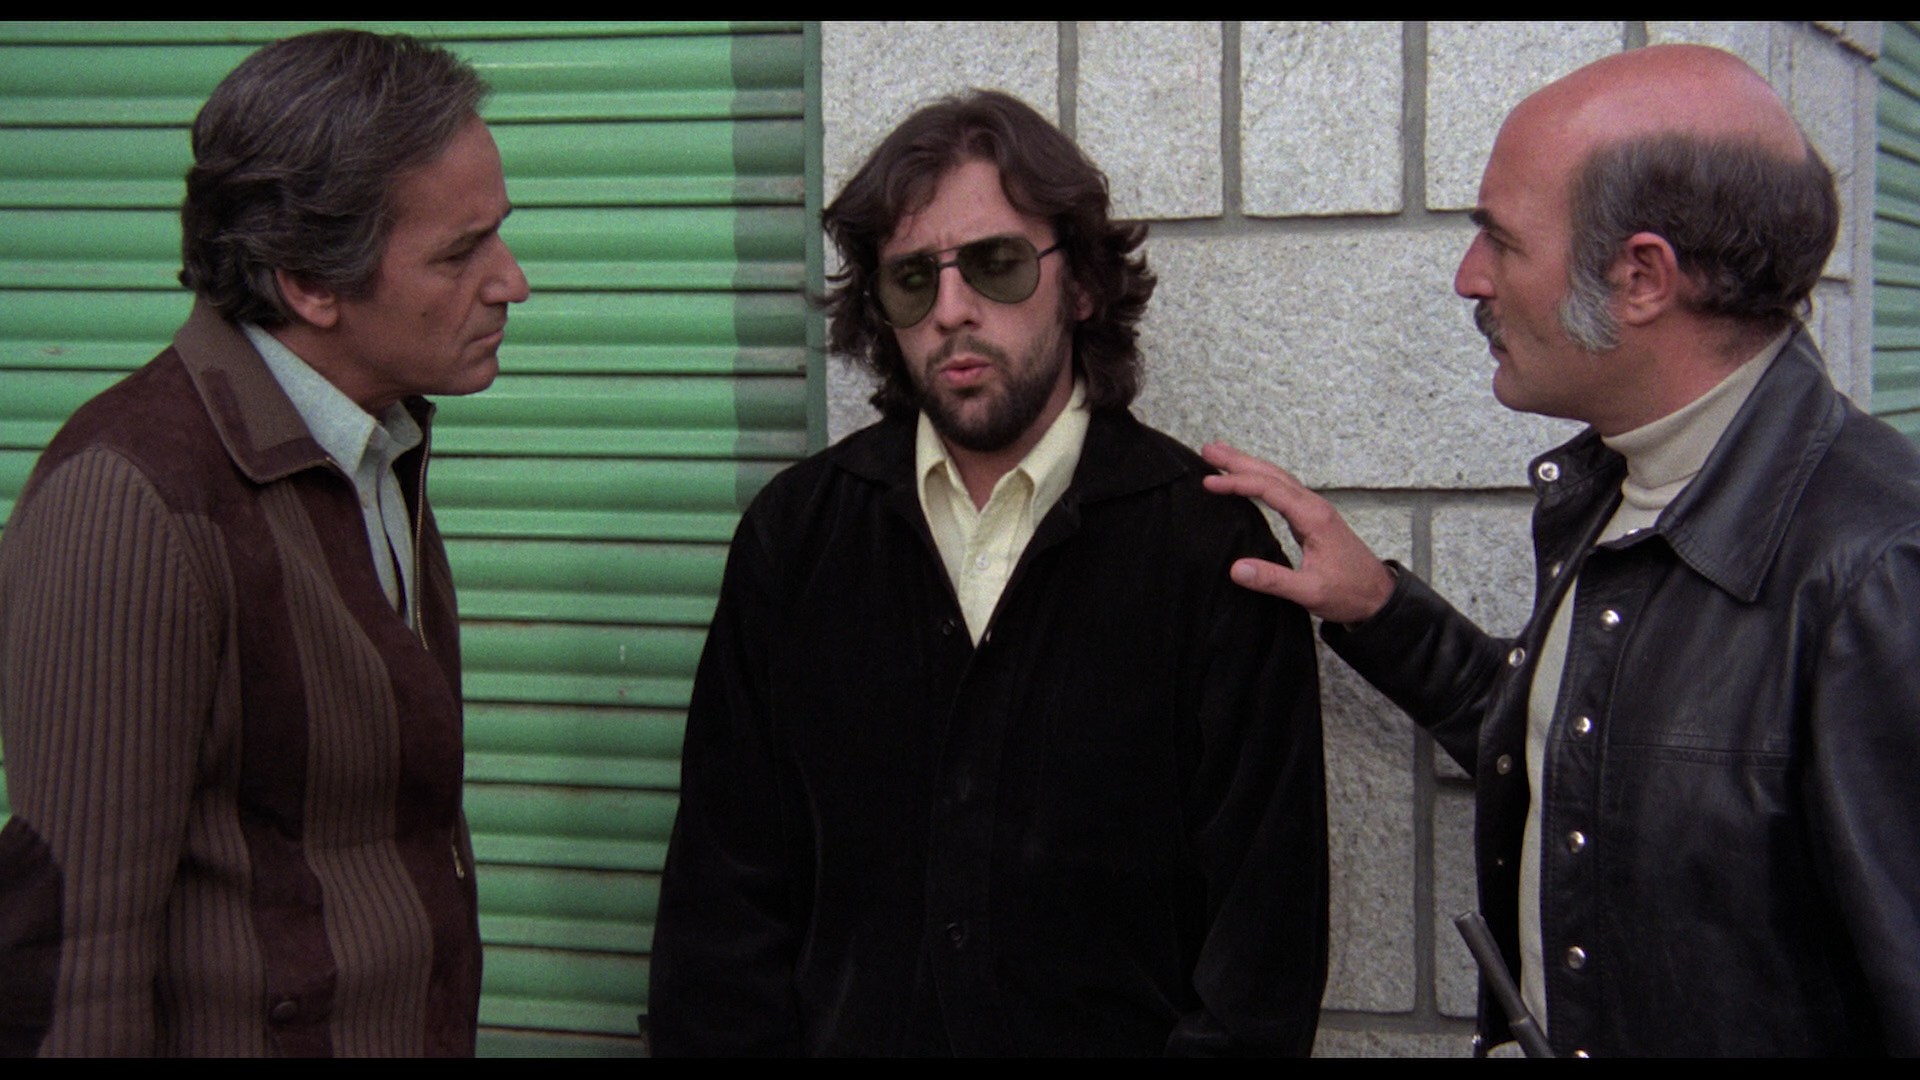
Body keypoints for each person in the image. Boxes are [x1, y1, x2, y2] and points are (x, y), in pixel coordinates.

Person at [1205, 44, 1920, 1056]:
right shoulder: (1627, 481)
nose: (1469, 277)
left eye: (1501, 241)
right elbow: (1597, 758)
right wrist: (1382, 613)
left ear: (1641, 277)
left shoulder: (1880, 569)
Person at [649, 90, 1326, 1057]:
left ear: (1079, 283)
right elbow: (722, 910)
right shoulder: (795, 539)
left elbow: (1261, 955)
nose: (952, 311)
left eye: (996, 264)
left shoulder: (1205, 548)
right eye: (911, 280)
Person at [0, 29, 529, 1056]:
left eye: (498, 235)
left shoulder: (372, 443)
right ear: (307, 282)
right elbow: (75, 966)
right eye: (459, 252)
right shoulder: (135, 499)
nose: (512, 281)